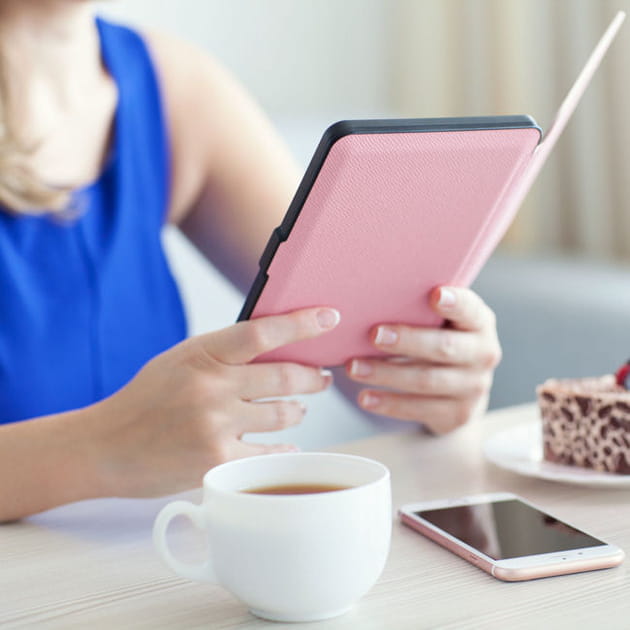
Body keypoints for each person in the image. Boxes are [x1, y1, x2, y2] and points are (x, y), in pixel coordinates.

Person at [0, 0, 501, 522]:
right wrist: (98, 448)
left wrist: (433, 371)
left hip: (156, 567)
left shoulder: (172, 86)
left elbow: (360, 351)